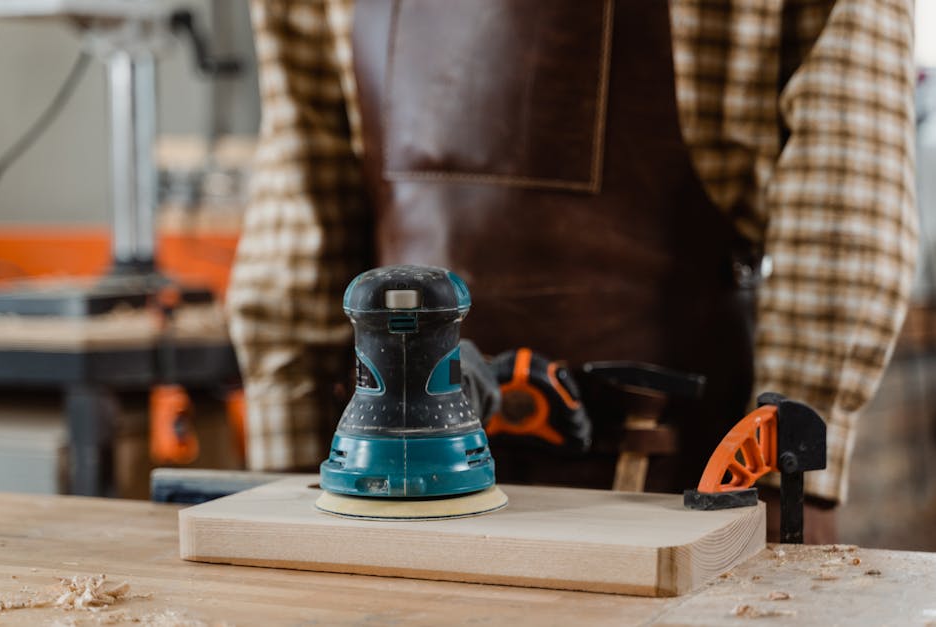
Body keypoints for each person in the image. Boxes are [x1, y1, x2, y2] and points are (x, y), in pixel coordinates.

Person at [227, 0, 918, 543]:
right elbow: (304, 172)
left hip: (678, 491)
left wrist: (781, 478)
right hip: (387, 496)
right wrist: (289, 470)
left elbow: (845, 195)